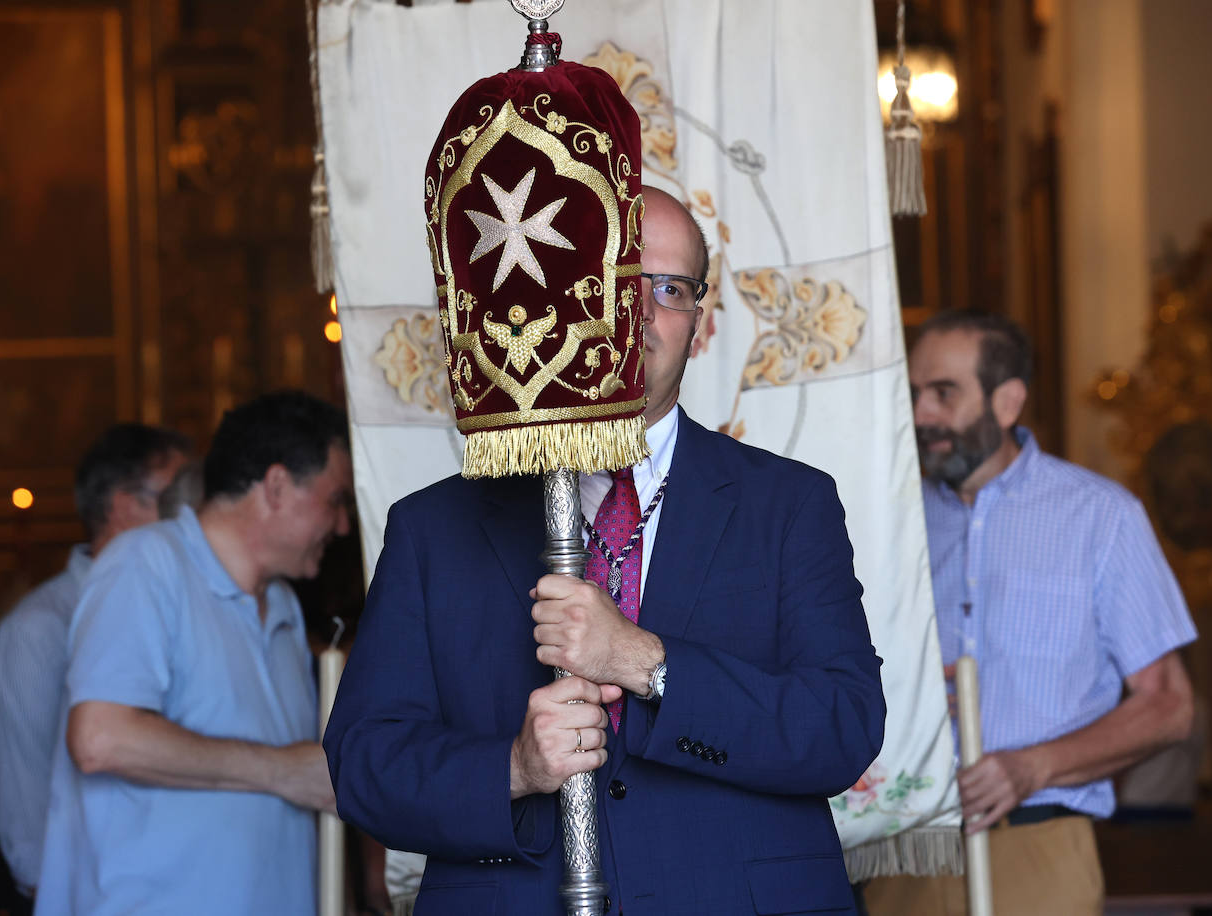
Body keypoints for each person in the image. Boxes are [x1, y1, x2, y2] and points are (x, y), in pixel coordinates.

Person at [324, 188, 887, 916]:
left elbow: (842, 727)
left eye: (670, 288)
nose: (640, 311)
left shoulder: (789, 506)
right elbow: (366, 767)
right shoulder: (434, 527)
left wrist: (645, 664)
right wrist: (515, 768)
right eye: (617, 279)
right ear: (560, 298)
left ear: (701, 323)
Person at [867, 310, 1197, 915]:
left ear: (1008, 401)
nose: (921, 416)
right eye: (914, 394)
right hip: (904, 848)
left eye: (944, 393)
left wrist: (1030, 767)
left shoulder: (1101, 517)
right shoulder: (893, 521)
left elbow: (1169, 705)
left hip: (1041, 843)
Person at [35, 391, 351, 915]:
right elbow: (100, 738)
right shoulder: (146, 564)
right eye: (334, 499)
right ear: (276, 486)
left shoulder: (285, 605)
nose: (341, 526)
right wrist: (281, 771)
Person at [0, 423, 190, 903]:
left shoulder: (176, 610)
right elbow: (31, 840)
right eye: (179, 503)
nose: (197, 520)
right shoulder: (39, 632)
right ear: (124, 506)